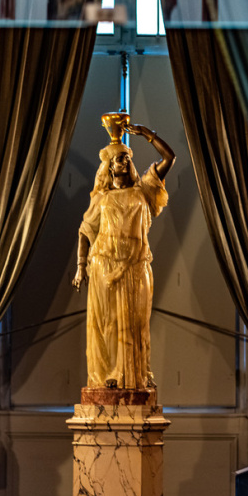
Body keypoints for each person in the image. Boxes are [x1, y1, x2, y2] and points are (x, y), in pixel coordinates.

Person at [71, 122, 176, 390]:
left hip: (136, 268)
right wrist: (80, 267)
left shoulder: (143, 192)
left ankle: (133, 376)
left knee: (135, 325)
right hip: (103, 267)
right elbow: (85, 231)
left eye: (127, 158)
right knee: (107, 326)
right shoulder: (101, 200)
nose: (125, 162)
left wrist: (147, 134)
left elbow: (169, 158)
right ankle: (109, 376)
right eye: (120, 158)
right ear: (109, 166)